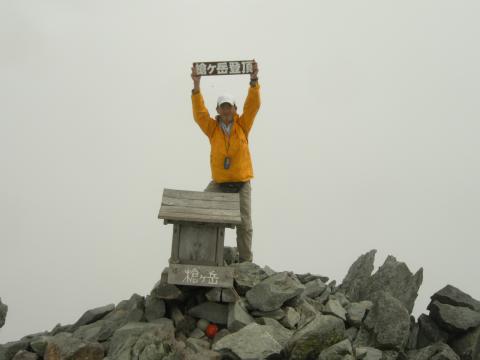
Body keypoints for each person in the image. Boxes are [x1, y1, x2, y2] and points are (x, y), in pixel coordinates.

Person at [190, 60, 261, 263]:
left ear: (235, 108)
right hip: (219, 184)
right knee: (201, 212)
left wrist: (254, 80)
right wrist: (196, 86)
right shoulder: (212, 129)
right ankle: (204, 256)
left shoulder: (243, 125)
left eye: (229, 106)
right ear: (219, 110)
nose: (227, 110)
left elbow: (253, 105)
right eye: (223, 107)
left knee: (245, 224)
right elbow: (199, 114)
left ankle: (246, 264)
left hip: (241, 183)